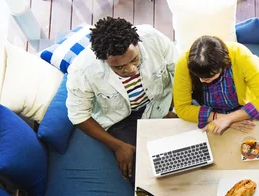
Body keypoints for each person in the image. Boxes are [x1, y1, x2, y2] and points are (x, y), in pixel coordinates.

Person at [67, 17, 178, 180]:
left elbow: (178, 72)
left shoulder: (153, 38)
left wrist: (173, 108)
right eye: (119, 67)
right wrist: (118, 146)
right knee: (146, 173)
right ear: (104, 60)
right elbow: (78, 116)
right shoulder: (81, 71)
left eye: (134, 59)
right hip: (121, 120)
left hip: (161, 102)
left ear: (137, 43)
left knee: (183, 154)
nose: (131, 69)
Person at [173, 36, 259, 135]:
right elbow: (182, 108)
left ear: (224, 65)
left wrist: (230, 118)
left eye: (208, 77)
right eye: (198, 76)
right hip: (216, 110)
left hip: (249, 98)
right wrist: (221, 118)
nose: (201, 81)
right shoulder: (184, 63)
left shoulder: (241, 56)